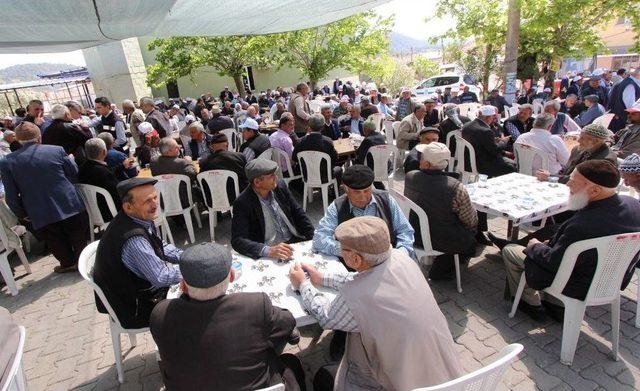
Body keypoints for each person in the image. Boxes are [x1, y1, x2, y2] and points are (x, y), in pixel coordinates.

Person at [291, 216, 463, 390]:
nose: (340, 252)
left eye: (342, 249)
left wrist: (303, 284)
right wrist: (322, 278)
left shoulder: (356, 297)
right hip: (445, 372)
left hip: (399, 382)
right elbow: (367, 278)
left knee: (324, 377)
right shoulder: (401, 259)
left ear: (356, 260)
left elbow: (327, 317)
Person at [150, 242, 304, 391]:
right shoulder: (255, 306)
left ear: (183, 286)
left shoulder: (160, 314)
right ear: (231, 276)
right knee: (291, 362)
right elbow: (288, 321)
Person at [500, 160, 640, 321]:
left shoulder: (582, 225)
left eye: (573, 181)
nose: (568, 185)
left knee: (510, 250)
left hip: (577, 283)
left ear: (595, 190)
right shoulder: (635, 205)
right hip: (612, 281)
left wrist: (535, 246)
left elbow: (552, 262)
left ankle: (531, 304)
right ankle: (557, 305)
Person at [92, 178, 184, 328]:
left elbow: (161, 246)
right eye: (148, 201)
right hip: (135, 308)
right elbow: (161, 276)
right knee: (200, 302)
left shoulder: (136, 218)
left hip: (139, 292)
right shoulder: (133, 239)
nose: (155, 204)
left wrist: (187, 257)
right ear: (128, 207)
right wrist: (195, 269)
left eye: (155, 197)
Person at [0, 122, 89, 273]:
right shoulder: (56, 150)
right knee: (76, 231)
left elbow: (11, 193)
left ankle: (68, 263)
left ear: (18, 140)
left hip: (37, 207)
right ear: (39, 137)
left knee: (53, 237)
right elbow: (72, 172)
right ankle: (82, 261)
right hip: (67, 199)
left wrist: (21, 213)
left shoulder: (8, 161)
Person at [405, 143, 477, 280]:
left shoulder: (410, 176)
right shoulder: (456, 187)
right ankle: (444, 268)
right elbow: (470, 220)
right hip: (441, 239)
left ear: (426, 164)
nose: (418, 159)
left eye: (421, 158)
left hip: (413, 232)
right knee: (471, 235)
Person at [313, 165, 415, 261]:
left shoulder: (386, 200)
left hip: (388, 259)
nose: (363, 197)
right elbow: (319, 238)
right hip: (355, 264)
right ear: (346, 189)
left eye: (366, 190)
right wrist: (348, 252)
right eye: (357, 192)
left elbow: (405, 231)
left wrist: (400, 254)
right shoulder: (337, 207)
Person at [231, 159, 314, 259]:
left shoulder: (280, 186)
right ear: (257, 182)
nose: (276, 177)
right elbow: (237, 240)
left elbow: (298, 213)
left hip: (293, 242)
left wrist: (313, 236)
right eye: (271, 176)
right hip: (269, 249)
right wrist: (267, 250)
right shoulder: (243, 203)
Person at [537, 123, 617, 184]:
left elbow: (582, 181)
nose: (578, 141)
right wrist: (552, 177)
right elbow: (565, 170)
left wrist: (551, 177)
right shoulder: (577, 150)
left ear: (596, 141)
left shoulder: (605, 160)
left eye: (582, 138)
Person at [78, 138, 134, 222]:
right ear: (104, 152)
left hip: (94, 212)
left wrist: (122, 166)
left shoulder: (83, 169)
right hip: (110, 212)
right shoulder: (102, 171)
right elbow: (117, 192)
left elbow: (107, 173)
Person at [461, 105, 515, 177]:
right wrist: (504, 141)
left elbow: (480, 142)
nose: (494, 119)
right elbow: (494, 151)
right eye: (493, 117)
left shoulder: (466, 126)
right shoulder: (485, 131)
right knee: (513, 167)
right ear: (487, 117)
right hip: (482, 164)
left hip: (468, 161)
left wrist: (494, 141)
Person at [292, 114, 342, 184]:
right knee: (339, 169)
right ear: (322, 127)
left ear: (309, 126)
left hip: (307, 175)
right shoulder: (327, 141)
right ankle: (333, 193)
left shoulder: (300, 142)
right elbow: (335, 158)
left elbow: (294, 158)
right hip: (325, 175)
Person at [199, 132, 249, 201]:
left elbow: (202, 182)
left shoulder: (204, 162)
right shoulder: (239, 157)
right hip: (239, 197)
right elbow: (247, 176)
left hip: (215, 199)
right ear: (227, 144)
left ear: (211, 147)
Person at [150, 137, 198, 206]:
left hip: (164, 200)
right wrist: (189, 162)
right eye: (176, 147)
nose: (179, 147)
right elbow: (194, 175)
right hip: (184, 200)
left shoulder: (153, 162)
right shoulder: (182, 163)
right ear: (168, 152)